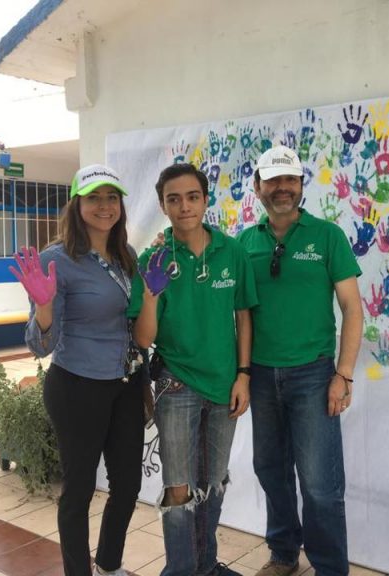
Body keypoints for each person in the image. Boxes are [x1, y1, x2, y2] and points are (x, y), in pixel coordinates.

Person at [10, 164, 145, 576]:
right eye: (93, 198)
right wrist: (44, 306)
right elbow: (41, 346)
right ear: (76, 204)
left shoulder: (125, 255)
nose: (104, 206)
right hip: (77, 388)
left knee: (128, 486)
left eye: (111, 197)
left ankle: (108, 565)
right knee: (80, 490)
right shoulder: (56, 260)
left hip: (125, 383)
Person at [237, 145, 364, 576]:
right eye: (273, 180)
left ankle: (330, 568)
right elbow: (236, 311)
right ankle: (284, 554)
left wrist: (344, 374)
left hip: (314, 375)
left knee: (320, 485)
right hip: (260, 375)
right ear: (258, 187)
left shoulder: (328, 236)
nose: (282, 188)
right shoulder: (244, 243)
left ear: (301, 185)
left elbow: (352, 308)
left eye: (290, 179)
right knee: (270, 469)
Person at [128, 163, 258, 576]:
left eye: (192, 197)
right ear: (162, 205)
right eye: (174, 199)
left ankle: (205, 566)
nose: (184, 206)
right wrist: (150, 296)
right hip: (176, 384)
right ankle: (181, 570)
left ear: (205, 199)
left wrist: (244, 374)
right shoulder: (154, 259)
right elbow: (143, 338)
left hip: (225, 384)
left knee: (214, 483)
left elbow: (244, 316)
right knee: (179, 489)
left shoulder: (232, 252)